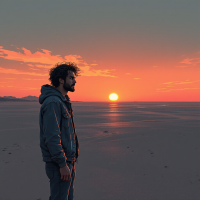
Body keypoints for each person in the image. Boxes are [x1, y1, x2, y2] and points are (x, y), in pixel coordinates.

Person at [39, 62, 80, 200]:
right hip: (59, 165)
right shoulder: (53, 103)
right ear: (61, 80)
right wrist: (62, 164)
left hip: (68, 162)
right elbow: (52, 137)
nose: (74, 81)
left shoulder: (63, 101)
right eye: (71, 78)